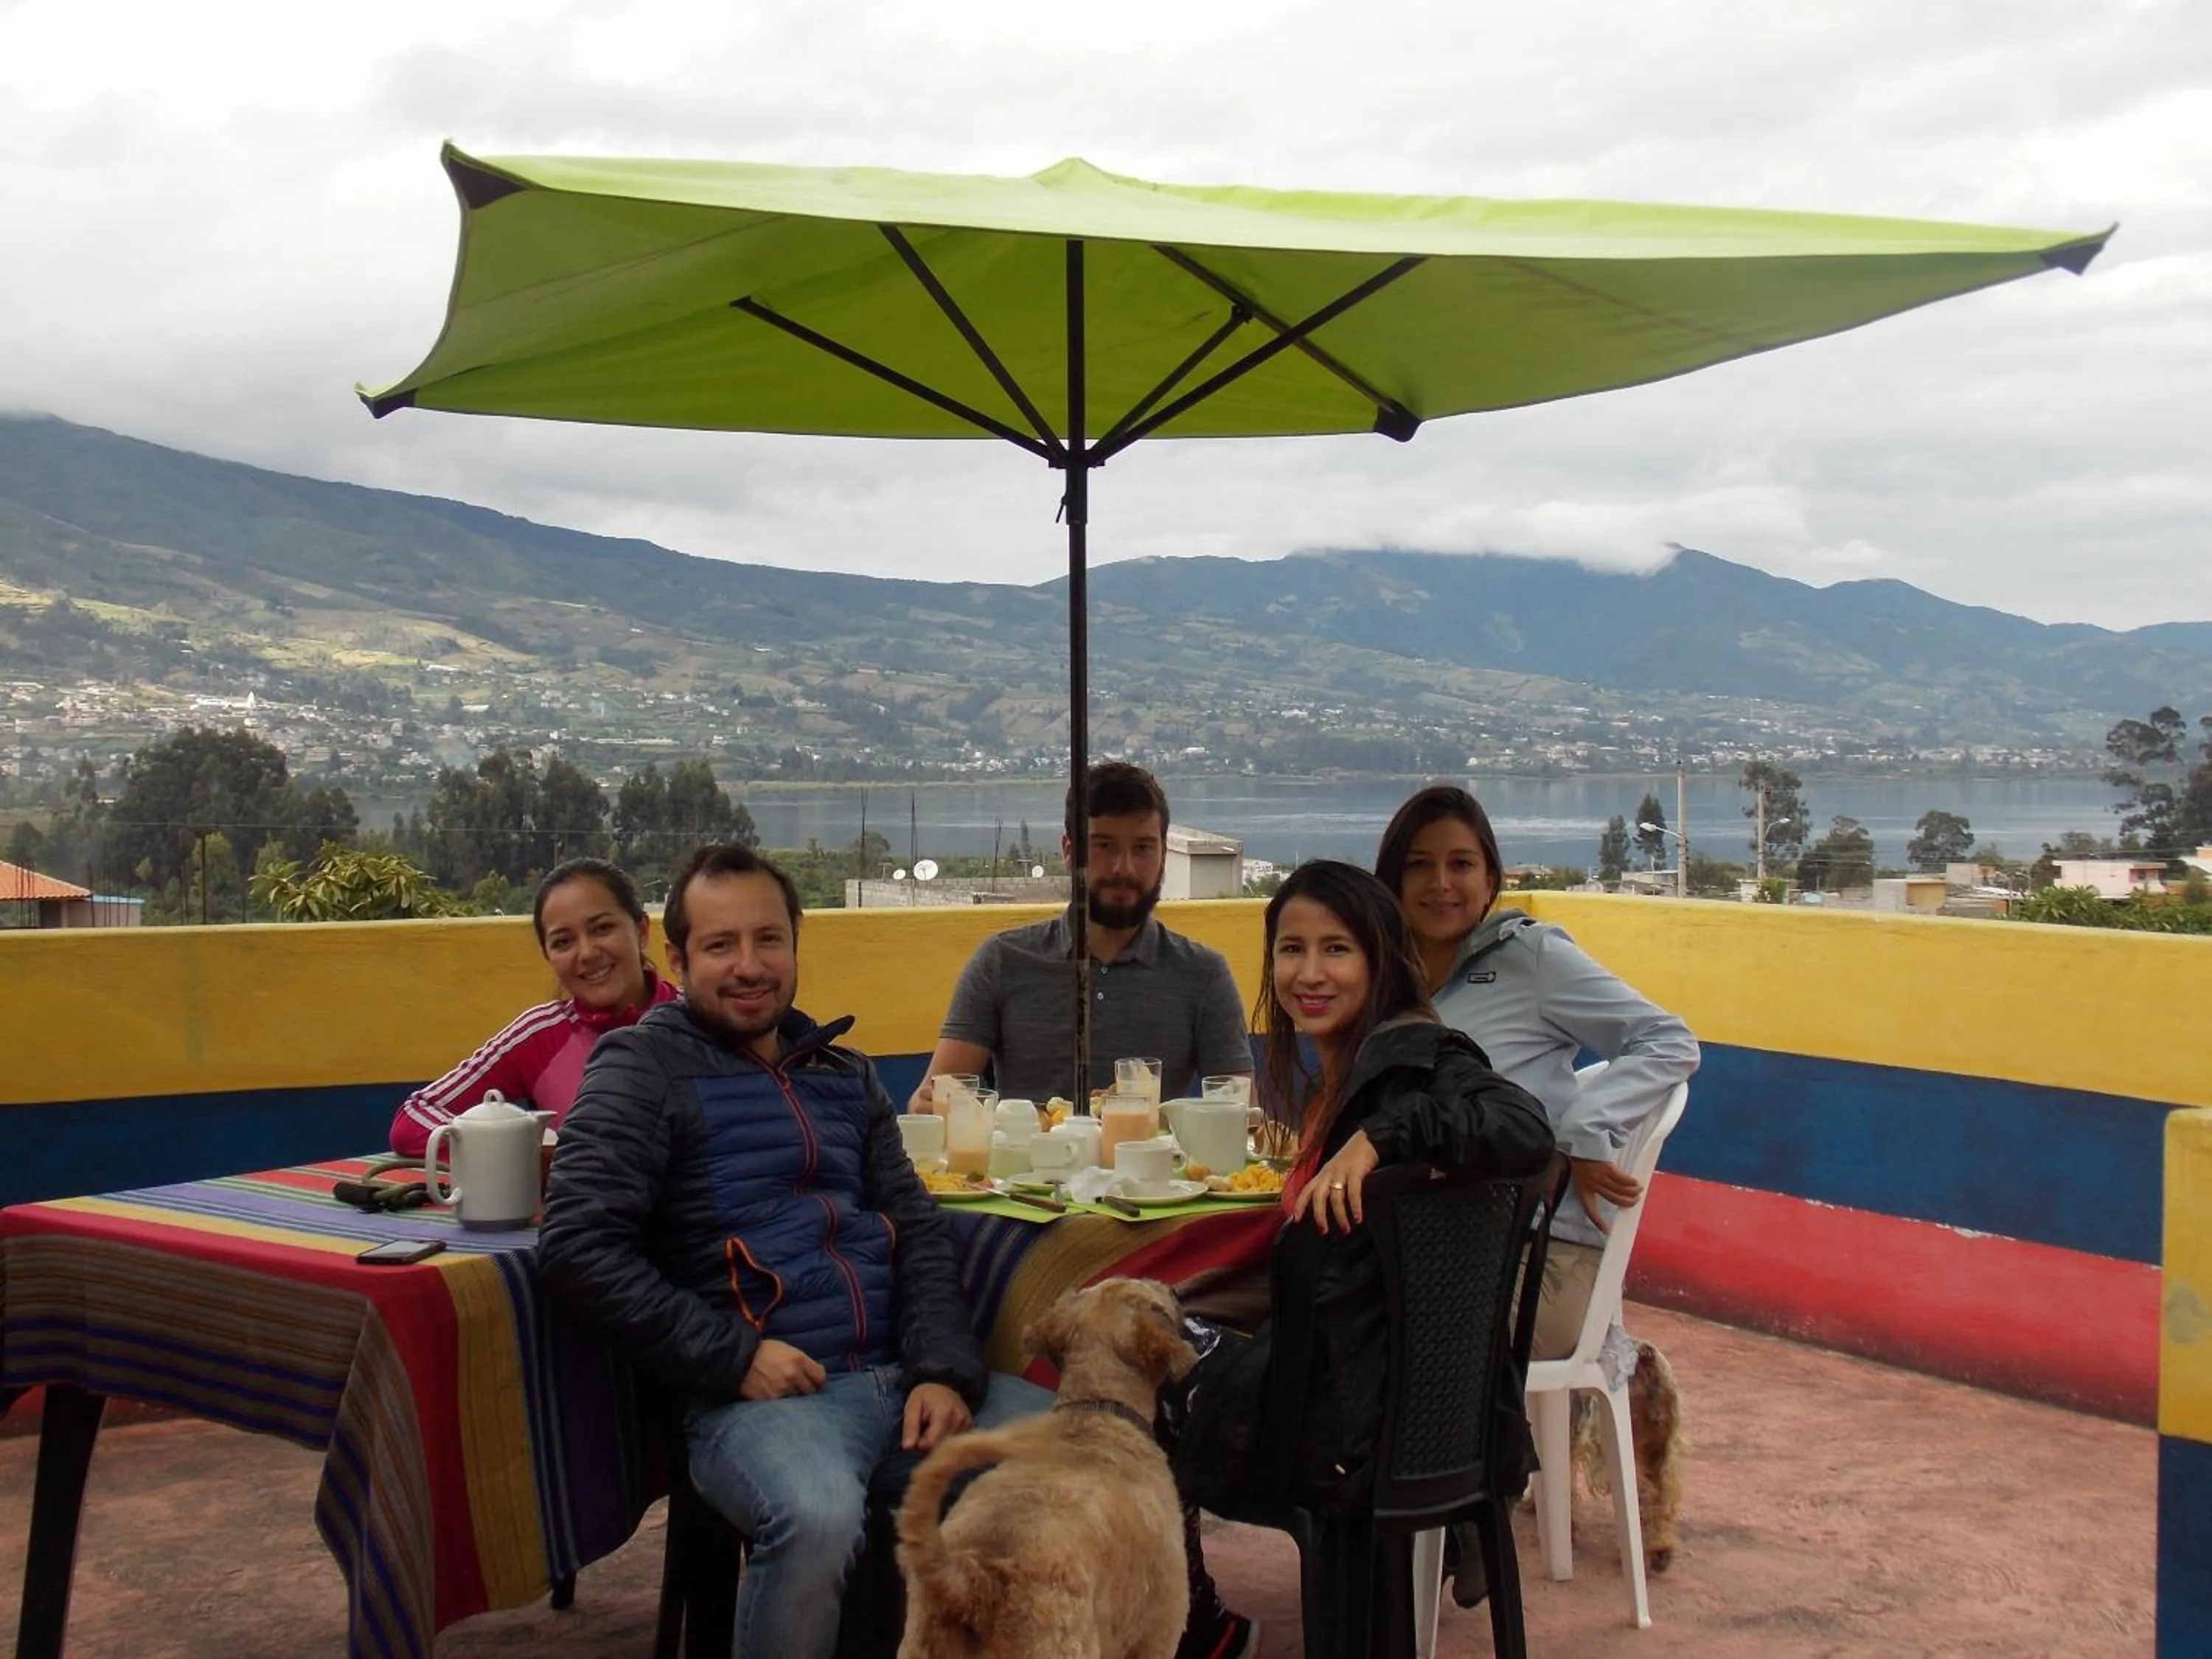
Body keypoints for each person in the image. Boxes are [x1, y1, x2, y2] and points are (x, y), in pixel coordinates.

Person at [538, 844, 1049, 1659]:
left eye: (768, 940)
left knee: (1088, 1449)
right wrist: (734, 1356)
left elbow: (915, 1228)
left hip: (900, 1382)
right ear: (675, 959)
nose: (749, 966)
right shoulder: (641, 1070)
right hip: (762, 1401)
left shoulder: (842, 1074)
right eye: (720, 946)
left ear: (796, 944)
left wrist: (944, 1371)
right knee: (816, 1516)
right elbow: (576, 1246)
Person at [1167, 860, 1555, 1658]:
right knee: (1168, 1313)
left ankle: (1179, 1617)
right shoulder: (1346, 1071)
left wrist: (1383, 1136)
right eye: (1290, 950)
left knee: (1124, 1365)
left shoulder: (1412, 1058)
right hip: (1412, 1403)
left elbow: (1522, 1127)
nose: (1308, 974)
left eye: (1336, 950)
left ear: (1381, 958)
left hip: (1347, 1425)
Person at [1374, 785, 1700, 1362]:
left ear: (1492, 879)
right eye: (1419, 865)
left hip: (1542, 1256)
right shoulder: (1387, 983)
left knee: (1360, 1334)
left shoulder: (1531, 959)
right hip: (1434, 1241)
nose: (1441, 883)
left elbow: (1667, 1039)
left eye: (1461, 864)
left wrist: (1584, 1132)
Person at [911, 761, 1251, 1110]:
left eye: (1143, 848)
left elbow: (1244, 1117)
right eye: (1104, 846)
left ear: (1164, 853)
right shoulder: (1002, 962)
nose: (1124, 868)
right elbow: (926, 1105)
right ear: (1069, 849)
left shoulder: (1202, 974)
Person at [387, 856, 678, 1158]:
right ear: (547, 955)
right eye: (563, 943)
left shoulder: (702, 1019)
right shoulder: (539, 1036)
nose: (587, 953)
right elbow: (415, 1118)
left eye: (602, 928)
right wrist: (519, 1149)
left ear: (642, 930)